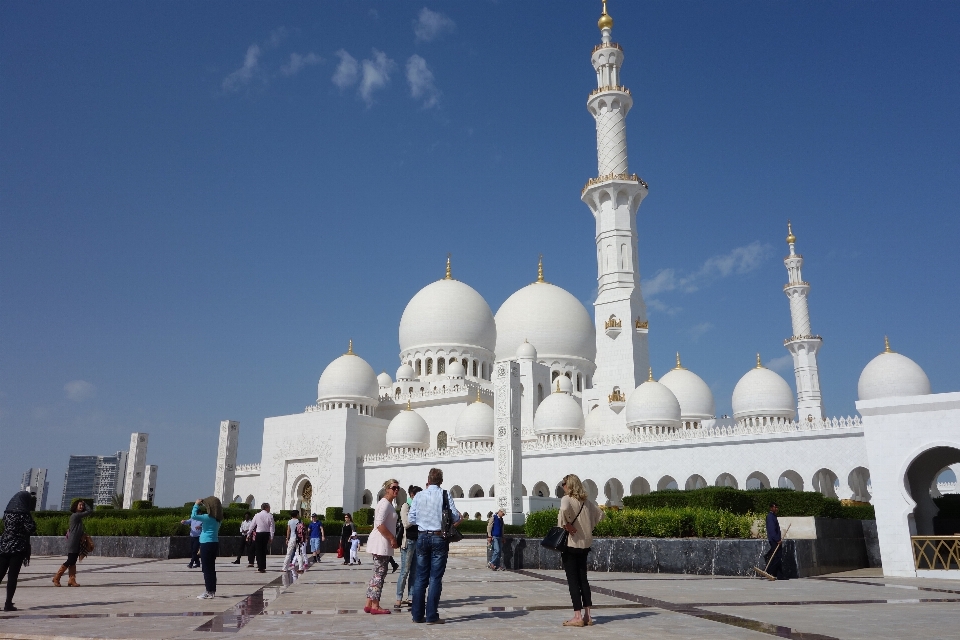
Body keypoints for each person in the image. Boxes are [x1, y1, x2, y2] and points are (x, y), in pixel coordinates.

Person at [409, 467, 460, 625]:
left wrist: (424, 522)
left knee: (420, 578)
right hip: (439, 538)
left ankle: (417, 616)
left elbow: (411, 518)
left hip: (422, 537)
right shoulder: (445, 494)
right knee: (435, 578)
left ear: (428, 480)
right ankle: (431, 616)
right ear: (441, 481)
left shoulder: (419, 495)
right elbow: (455, 516)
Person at [558, 474, 604, 627]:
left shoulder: (567, 498)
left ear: (569, 485)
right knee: (583, 579)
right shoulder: (587, 502)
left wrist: (566, 524)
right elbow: (600, 514)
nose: (562, 486)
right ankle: (588, 616)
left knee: (573, 580)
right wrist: (588, 527)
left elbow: (564, 508)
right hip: (584, 545)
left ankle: (577, 616)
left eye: (564, 483)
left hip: (571, 544)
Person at [363, 478, 400, 614]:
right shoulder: (385, 504)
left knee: (376, 574)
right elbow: (379, 524)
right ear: (387, 489)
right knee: (380, 575)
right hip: (381, 543)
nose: (396, 490)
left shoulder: (387, 503)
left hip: (381, 543)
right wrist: (391, 538)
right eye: (393, 488)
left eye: (397, 488)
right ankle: (375, 606)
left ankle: (369, 603)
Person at [0, 491, 37, 611]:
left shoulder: (7, 513)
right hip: (17, 548)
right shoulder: (23, 514)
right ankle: (8, 603)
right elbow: (31, 528)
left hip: (4, 547)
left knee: (0, 574)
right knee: (12, 576)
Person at [52, 499, 93, 587]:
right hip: (73, 541)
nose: (82, 507)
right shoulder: (76, 515)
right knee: (70, 560)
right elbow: (90, 511)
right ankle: (57, 577)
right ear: (75, 506)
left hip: (76, 540)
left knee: (73, 561)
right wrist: (85, 502)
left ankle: (72, 579)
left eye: (82, 505)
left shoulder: (77, 516)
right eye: (80, 505)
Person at [394, 485, 421, 608]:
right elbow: (406, 523)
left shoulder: (419, 507)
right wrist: (417, 517)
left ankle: (411, 597)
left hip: (418, 541)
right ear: (412, 495)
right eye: (417, 495)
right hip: (408, 542)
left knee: (414, 571)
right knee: (405, 571)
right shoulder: (406, 506)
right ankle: (398, 598)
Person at [191, 497, 223, 600]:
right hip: (213, 543)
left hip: (206, 544)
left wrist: (196, 504)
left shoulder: (207, 517)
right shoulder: (218, 519)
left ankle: (209, 591)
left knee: (206, 569)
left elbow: (194, 516)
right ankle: (212, 590)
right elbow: (210, 528)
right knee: (211, 568)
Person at [250, 503, 275, 573]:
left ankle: (260, 567)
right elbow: (272, 527)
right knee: (264, 550)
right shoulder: (270, 516)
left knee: (258, 551)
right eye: (269, 507)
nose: (269, 509)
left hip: (259, 534)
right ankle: (263, 566)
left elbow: (252, 525)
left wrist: (249, 533)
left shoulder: (257, 515)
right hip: (266, 534)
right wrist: (271, 536)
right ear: (266, 508)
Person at [765, 503, 784, 579]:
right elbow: (772, 530)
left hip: (775, 540)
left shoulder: (773, 516)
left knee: (778, 557)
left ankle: (780, 575)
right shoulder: (770, 517)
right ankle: (770, 571)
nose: (776, 509)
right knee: (777, 557)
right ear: (771, 508)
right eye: (775, 507)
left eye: (777, 507)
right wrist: (777, 539)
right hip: (774, 540)